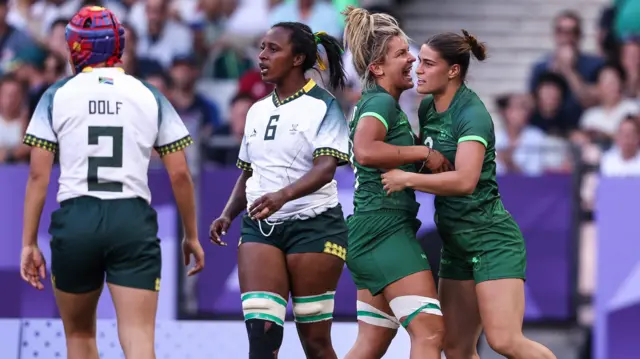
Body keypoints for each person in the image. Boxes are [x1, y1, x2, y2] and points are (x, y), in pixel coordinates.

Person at [19, 6, 205, 359]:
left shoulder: (55, 95)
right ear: (119, 46)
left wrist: (28, 242)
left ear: (74, 49)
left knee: (79, 337)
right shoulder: (150, 94)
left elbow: (38, 175)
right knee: (138, 340)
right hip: (131, 220)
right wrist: (191, 235)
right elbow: (180, 173)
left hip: (77, 219)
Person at [380, 30, 557, 359]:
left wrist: (406, 179)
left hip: (491, 240)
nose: (418, 69)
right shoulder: (428, 107)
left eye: (428, 64)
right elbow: (427, 162)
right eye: (419, 62)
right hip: (456, 243)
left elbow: (465, 181)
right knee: (457, 348)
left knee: (504, 341)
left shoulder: (471, 114)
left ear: (453, 71)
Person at [209, 22, 349, 359]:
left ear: (298, 57)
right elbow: (248, 172)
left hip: (314, 227)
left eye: (273, 49)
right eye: (261, 48)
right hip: (261, 229)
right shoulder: (257, 109)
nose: (262, 56)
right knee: (263, 336)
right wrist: (228, 213)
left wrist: (282, 195)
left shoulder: (325, 106)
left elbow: (326, 167)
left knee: (315, 343)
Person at [341, 6, 450, 359]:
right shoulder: (380, 103)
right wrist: (423, 152)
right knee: (431, 334)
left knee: (370, 345)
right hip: (384, 231)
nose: (412, 58)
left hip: (371, 230)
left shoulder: (380, 104)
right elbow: (366, 150)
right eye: (401, 53)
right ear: (377, 67)